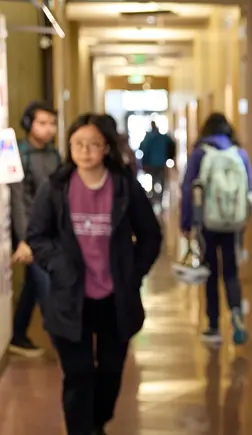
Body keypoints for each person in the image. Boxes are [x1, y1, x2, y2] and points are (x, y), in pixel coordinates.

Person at [27, 114, 162, 435]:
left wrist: (133, 273)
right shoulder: (57, 186)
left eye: (93, 145)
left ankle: (97, 423)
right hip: (70, 296)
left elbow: (150, 236)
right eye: (78, 144)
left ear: (106, 148)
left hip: (116, 297)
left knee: (112, 370)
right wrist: (58, 265)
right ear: (69, 146)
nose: (85, 151)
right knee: (77, 372)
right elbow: (37, 236)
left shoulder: (124, 187)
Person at [180, 113, 252, 345]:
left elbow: (187, 190)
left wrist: (186, 223)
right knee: (231, 271)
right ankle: (237, 316)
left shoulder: (200, 153)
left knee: (210, 272)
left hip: (206, 223)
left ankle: (213, 327)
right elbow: (249, 190)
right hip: (233, 223)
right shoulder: (239, 153)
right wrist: (243, 220)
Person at [7, 101, 59, 357]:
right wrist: (24, 240)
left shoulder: (54, 154)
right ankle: (66, 344)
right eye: (42, 123)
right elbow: (18, 200)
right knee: (47, 286)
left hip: (51, 232)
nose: (49, 129)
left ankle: (17, 334)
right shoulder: (19, 154)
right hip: (31, 234)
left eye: (52, 123)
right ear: (28, 124)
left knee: (32, 286)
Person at [139, 120, 176, 205]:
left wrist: (143, 163)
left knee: (153, 180)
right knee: (161, 180)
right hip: (161, 163)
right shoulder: (163, 137)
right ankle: (159, 198)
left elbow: (143, 149)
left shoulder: (148, 138)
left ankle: (154, 198)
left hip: (152, 164)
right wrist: (170, 156)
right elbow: (172, 144)